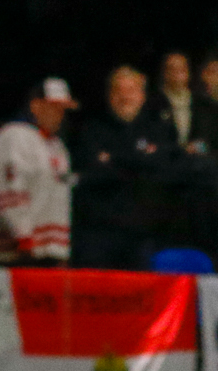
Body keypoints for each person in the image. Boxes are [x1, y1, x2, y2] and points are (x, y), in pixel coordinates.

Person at [75, 64, 177, 269]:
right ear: (109, 95)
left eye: (131, 91)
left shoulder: (158, 129)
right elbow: (92, 172)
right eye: (118, 91)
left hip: (145, 234)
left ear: (142, 96)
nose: (125, 97)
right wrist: (137, 160)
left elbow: (162, 166)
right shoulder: (92, 129)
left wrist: (113, 158)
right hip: (99, 234)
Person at [0, 76, 73, 264]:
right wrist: (22, 234)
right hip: (17, 250)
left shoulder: (56, 145)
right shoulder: (14, 136)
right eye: (54, 107)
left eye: (62, 109)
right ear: (36, 106)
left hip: (48, 250)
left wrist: (61, 250)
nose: (59, 114)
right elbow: (8, 187)